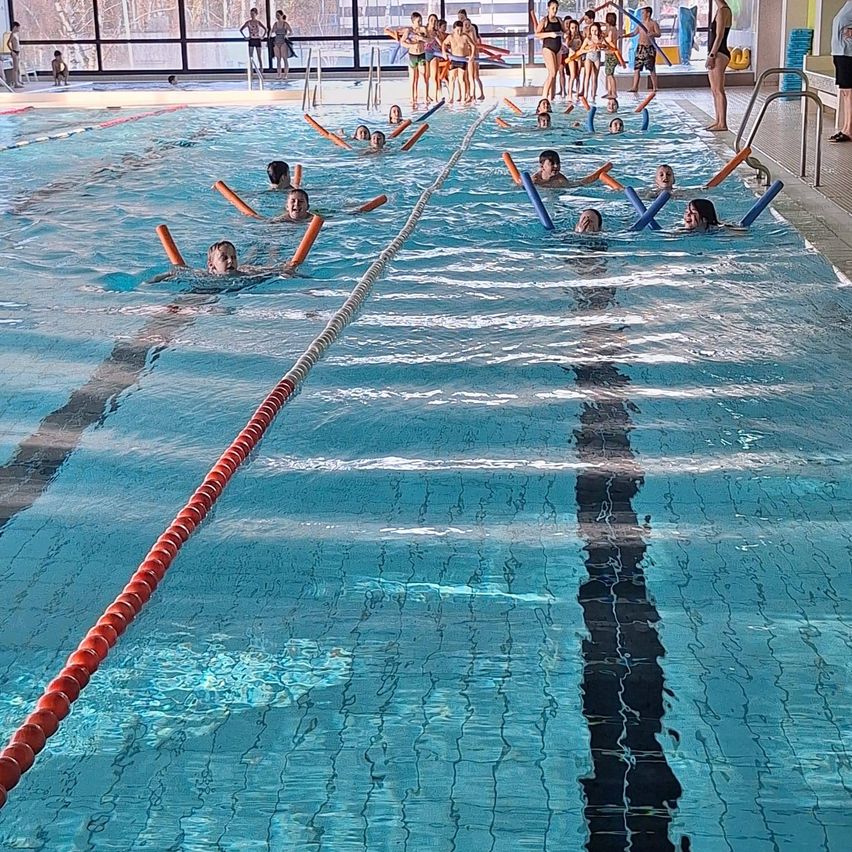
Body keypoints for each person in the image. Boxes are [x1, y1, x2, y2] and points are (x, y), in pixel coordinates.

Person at [705, 0, 732, 130]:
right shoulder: (721, 10)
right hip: (718, 53)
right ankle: (718, 120)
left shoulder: (723, 10)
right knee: (714, 90)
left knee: (719, 90)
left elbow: (719, 36)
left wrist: (712, 55)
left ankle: (723, 123)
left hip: (719, 54)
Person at [829, 0, 852, 142]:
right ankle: (845, 128)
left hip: (848, 53)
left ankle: (849, 129)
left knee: (849, 92)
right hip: (840, 52)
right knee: (845, 92)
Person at [628, 7, 661, 93]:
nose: (642, 15)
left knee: (651, 68)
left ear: (648, 14)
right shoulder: (640, 24)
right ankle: (634, 87)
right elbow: (634, 33)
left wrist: (653, 33)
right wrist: (624, 36)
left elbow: (658, 34)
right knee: (637, 68)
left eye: (643, 13)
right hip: (640, 47)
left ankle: (655, 87)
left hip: (649, 48)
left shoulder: (653, 24)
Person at [534, 0, 563, 101]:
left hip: (558, 48)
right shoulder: (544, 21)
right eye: (553, 8)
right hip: (548, 48)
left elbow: (565, 31)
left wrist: (567, 34)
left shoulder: (559, 20)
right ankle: (544, 96)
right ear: (548, 8)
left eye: (556, 8)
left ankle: (552, 97)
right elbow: (537, 34)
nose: (555, 10)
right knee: (552, 73)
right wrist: (549, 34)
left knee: (555, 73)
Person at [443, 21, 475, 104]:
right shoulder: (450, 37)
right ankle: (451, 98)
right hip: (454, 60)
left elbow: (473, 45)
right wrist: (444, 52)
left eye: (461, 30)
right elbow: (444, 44)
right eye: (457, 30)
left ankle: (463, 98)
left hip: (462, 60)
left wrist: (472, 55)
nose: (459, 32)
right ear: (454, 29)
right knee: (451, 78)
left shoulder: (465, 37)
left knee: (461, 79)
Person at [402, 12, 428, 108]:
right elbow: (402, 42)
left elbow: (429, 40)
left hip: (421, 54)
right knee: (413, 78)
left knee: (423, 76)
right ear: (413, 21)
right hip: (412, 55)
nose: (420, 22)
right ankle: (413, 98)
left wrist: (421, 38)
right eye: (418, 21)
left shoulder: (423, 29)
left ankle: (425, 97)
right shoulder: (409, 31)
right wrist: (412, 45)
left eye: (421, 20)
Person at [577, 22, 605, 101]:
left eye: (596, 30)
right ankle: (585, 94)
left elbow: (606, 47)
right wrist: (589, 48)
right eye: (592, 30)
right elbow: (581, 49)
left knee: (595, 77)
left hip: (597, 58)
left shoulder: (601, 39)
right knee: (587, 76)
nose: (594, 32)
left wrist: (601, 47)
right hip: (589, 57)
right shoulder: (588, 39)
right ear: (590, 31)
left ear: (598, 31)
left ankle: (593, 95)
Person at [462, 18, 484, 101]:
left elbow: (474, 44)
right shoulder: (463, 35)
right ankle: (471, 94)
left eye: (468, 24)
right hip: (467, 57)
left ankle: (474, 94)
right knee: (468, 77)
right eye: (465, 24)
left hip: (473, 57)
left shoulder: (472, 33)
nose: (467, 26)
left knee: (474, 76)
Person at [563, 19, 583, 103]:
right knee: (573, 75)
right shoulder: (568, 36)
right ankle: (569, 94)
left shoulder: (581, 36)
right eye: (572, 28)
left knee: (578, 75)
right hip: (571, 56)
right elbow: (568, 45)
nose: (574, 29)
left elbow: (582, 46)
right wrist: (573, 36)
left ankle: (577, 94)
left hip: (578, 56)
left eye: (575, 27)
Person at [602, 12, 620, 103]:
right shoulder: (612, 29)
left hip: (611, 54)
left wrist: (602, 39)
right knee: (608, 74)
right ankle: (610, 92)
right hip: (609, 54)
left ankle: (614, 92)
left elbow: (608, 41)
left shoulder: (612, 30)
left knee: (610, 74)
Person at [424, 14, 441, 103]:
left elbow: (441, 44)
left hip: (434, 54)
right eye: (431, 20)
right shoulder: (424, 30)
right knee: (426, 76)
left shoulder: (436, 33)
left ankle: (435, 97)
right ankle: (426, 96)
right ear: (428, 20)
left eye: (435, 20)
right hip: (425, 54)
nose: (433, 22)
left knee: (434, 77)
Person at [271, 10, 293, 81]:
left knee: (284, 58)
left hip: (283, 41)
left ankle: (285, 75)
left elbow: (291, 31)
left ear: (282, 15)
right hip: (276, 41)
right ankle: (279, 74)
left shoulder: (285, 24)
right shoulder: (275, 24)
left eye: (278, 15)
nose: (277, 17)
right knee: (278, 59)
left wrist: (287, 35)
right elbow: (272, 31)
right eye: (276, 15)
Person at [7, 22, 22, 89]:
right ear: (15, 27)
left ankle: (18, 80)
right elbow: (8, 43)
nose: (19, 29)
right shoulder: (12, 34)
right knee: (15, 68)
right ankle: (15, 83)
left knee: (18, 68)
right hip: (14, 52)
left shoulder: (16, 34)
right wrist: (12, 51)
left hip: (18, 52)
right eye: (18, 27)